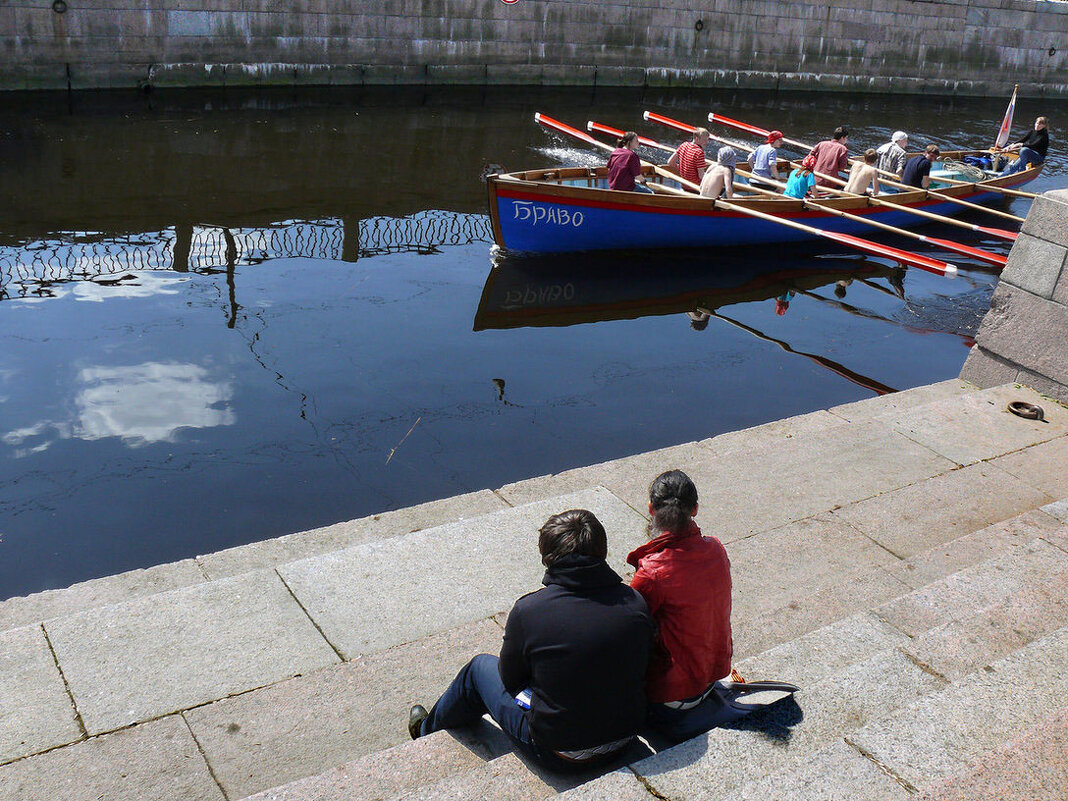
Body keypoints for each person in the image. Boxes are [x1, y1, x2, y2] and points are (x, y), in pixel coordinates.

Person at [409, 509, 654, 770]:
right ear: (602, 551)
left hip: (561, 753)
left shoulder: (530, 611)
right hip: (625, 738)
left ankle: (425, 730)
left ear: (548, 559)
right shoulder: (635, 603)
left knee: (478, 669)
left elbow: (511, 679)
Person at [627, 470, 734, 742]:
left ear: (651, 509)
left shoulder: (651, 572)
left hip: (673, 699)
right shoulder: (717, 548)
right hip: (710, 678)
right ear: (695, 510)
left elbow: (625, 626)